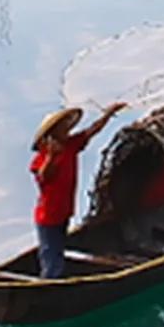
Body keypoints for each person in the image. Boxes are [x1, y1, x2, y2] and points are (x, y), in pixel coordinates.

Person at [30, 100, 124, 280]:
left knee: (57, 252)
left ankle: (55, 282)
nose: (67, 130)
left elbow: (92, 130)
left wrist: (108, 114)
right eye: (62, 128)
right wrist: (51, 156)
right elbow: (44, 176)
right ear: (51, 135)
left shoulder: (71, 145)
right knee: (52, 260)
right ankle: (49, 289)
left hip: (64, 213)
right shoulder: (41, 159)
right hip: (48, 218)